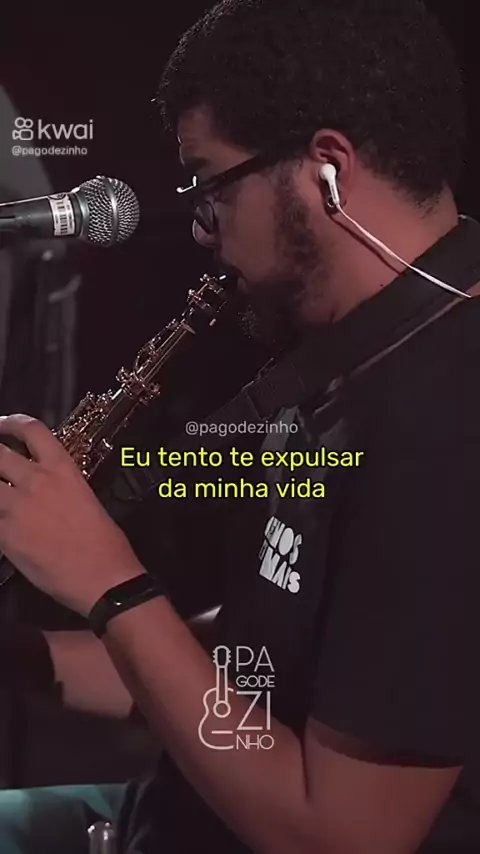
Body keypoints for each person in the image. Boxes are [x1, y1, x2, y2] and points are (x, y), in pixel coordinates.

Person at [0, 0, 479, 851]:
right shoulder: (356, 354)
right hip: (162, 813)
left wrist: (108, 582)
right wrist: (26, 656)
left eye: (211, 184)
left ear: (327, 170)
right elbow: (251, 672)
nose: (199, 226)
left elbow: (342, 838)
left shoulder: (447, 428)